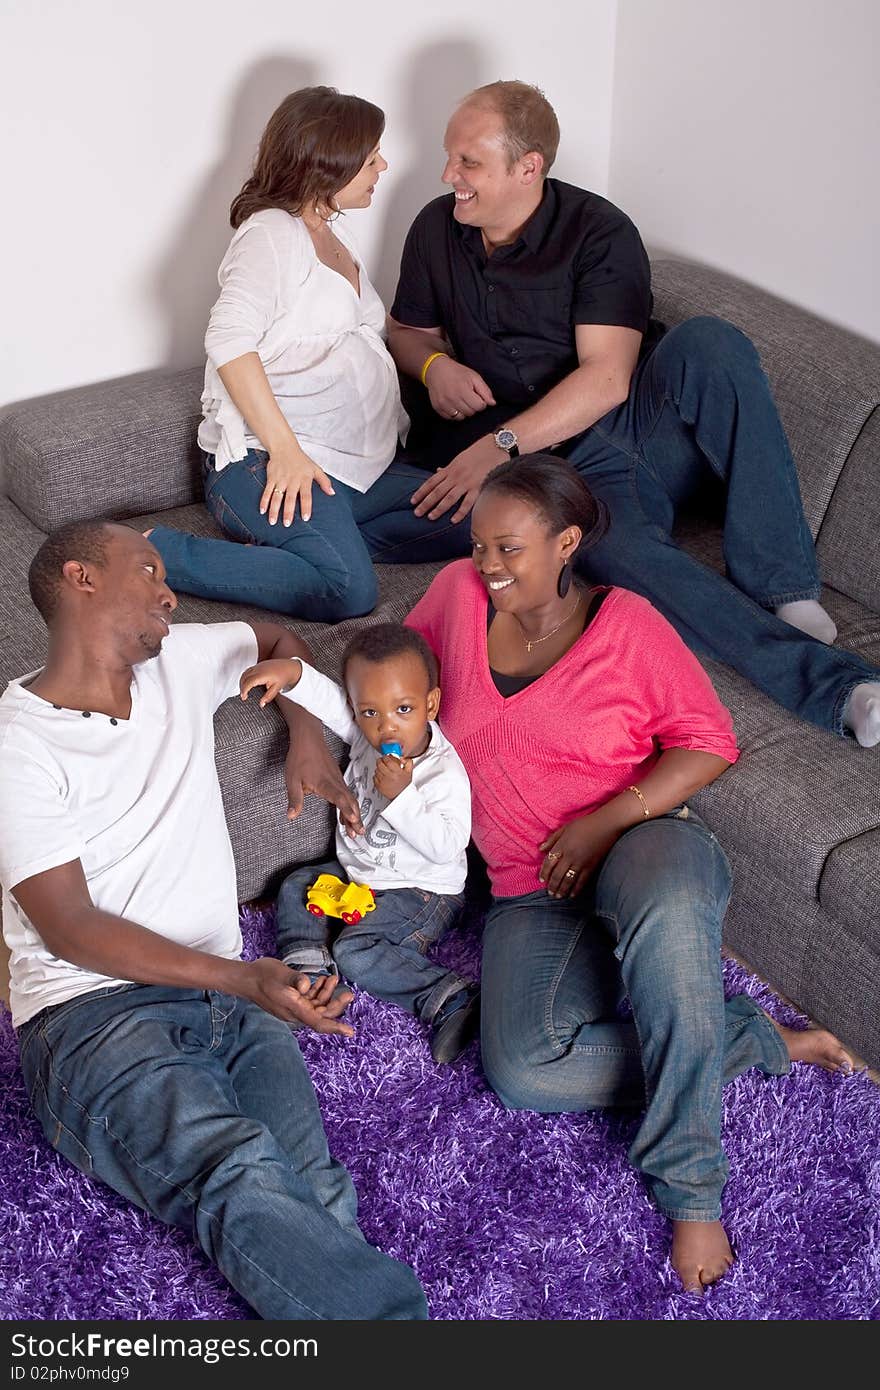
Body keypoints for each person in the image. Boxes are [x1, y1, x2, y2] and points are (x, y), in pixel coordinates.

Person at [405, 454, 853, 1293]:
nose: (488, 567)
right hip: (527, 889)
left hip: (641, 844)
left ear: (566, 541)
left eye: (509, 548)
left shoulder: (630, 626)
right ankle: (744, 1038)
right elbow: (392, 669)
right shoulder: (457, 601)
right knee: (525, 1071)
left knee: (673, 908)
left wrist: (601, 821)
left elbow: (709, 741)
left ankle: (691, 1189)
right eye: (478, 547)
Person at [0, 520, 427, 1321]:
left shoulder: (183, 662)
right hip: (93, 1020)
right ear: (82, 578)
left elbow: (274, 639)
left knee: (314, 1190)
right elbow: (68, 927)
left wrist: (308, 736)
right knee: (236, 1168)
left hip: (234, 1000)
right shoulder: (17, 743)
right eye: (150, 570)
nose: (170, 592)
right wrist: (244, 976)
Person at [387, 80, 880, 746]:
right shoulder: (435, 229)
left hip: (636, 429)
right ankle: (843, 689)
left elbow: (609, 379)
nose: (449, 176)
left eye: (468, 162)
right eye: (450, 158)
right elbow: (406, 332)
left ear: (528, 167)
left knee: (709, 340)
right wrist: (432, 366)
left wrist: (496, 444)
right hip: (561, 482)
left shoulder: (599, 232)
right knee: (619, 556)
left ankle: (787, 590)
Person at [147, 86, 471, 622]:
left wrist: (438, 364)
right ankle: (159, 551)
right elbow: (229, 341)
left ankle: (306, 548)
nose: (383, 165)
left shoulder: (327, 232)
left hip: (354, 471)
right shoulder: (272, 234)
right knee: (350, 591)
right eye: (371, 158)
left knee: (481, 515)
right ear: (329, 166)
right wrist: (288, 452)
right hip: (270, 464)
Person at [239, 622, 478, 1064]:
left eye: (403, 709)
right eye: (370, 713)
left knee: (356, 950)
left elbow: (446, 846)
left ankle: (449, 997)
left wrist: (402, 797)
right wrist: (293, 675)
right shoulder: (368, 740)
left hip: (421, 891)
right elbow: (329, 702)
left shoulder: (441, 772)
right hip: (360, 875)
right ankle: (308, 969)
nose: (387, 727)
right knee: (297, 885)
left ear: (431, 704)